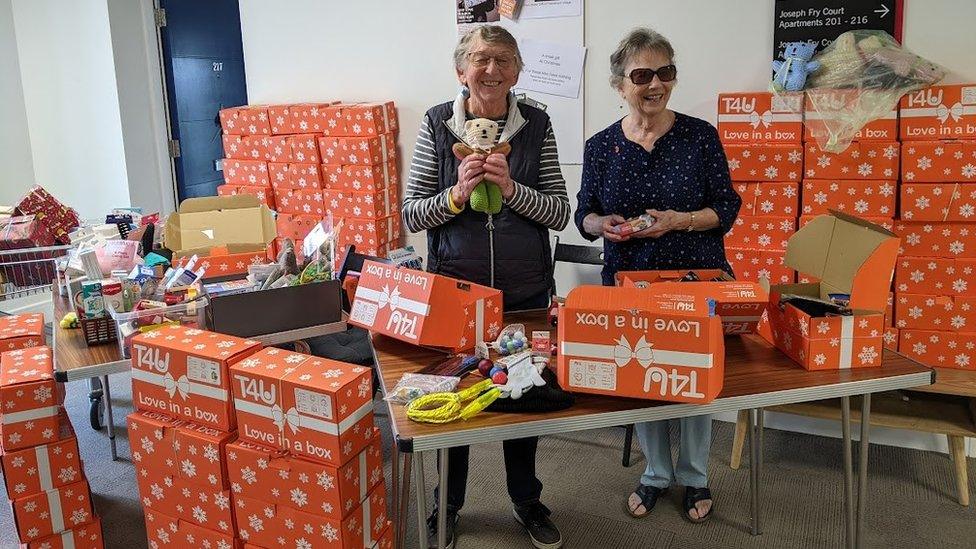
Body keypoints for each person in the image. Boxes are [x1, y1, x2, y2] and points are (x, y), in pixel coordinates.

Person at [401, 25, 570, 549]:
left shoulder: (537, 125)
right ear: (462, 70)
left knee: (523, 398)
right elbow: (413, 214)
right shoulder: (436, 123)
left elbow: (561, 213)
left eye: (502, 60)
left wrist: (511, 189)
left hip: (525, 294)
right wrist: (456, 195)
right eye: (480, 60)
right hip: (458, 295)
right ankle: (447, 504)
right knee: (458, 399)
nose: (491, 70)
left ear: (517, 70)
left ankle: (526, 500)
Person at [574, 27, 742, 524]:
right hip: (629, 278)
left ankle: (694, 476)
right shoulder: (601, 146)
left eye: (665, 72)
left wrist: (678, 220)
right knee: (642, 372)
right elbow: (586, 214)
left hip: (694, 280)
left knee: (694, 378)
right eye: (642, 74)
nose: (655, 84)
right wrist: (602, 224)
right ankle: (655, 473)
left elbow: (726, 208)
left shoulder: (700, 136)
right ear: (619, 83)